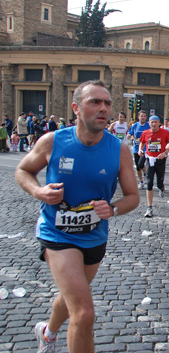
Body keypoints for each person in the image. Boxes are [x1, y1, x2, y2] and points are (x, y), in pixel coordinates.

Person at [15, 80, 139, 353]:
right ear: (76, 108)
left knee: (72, 295)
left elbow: (133, 196)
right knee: (83, 312)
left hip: (94, 236)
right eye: (95, 102)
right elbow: (23, 171)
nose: (103, 108)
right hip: (57, 233)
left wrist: (114, 209)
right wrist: (39, 191)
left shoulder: (119, 149)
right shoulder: (53, 141)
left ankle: (47, 332)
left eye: (107, 103)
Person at [138, 115, 169, 218]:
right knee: (149, 183)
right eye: (152, 122)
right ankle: (149, 207)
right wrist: (140, 150)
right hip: (150, 160)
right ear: (149, 123)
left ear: (159, 123)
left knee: (159, 182)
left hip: (160, 160)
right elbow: (142, 143)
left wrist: (165, 153)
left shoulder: (165, 133)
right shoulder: (145, 133)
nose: (154, 124)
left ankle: (161, 187)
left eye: (156, 122)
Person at [127, 111, 150, 190]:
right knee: (137, 167)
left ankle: (146, 174)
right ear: (138, 117)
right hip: (136, 149)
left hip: (145, 149)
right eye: (141, 116)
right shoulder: (135, 125)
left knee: (141, 164)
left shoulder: (148, 125)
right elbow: (130, 133)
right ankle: (141, 182)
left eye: (144, 116)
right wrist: (128, 136)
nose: (143, 117)